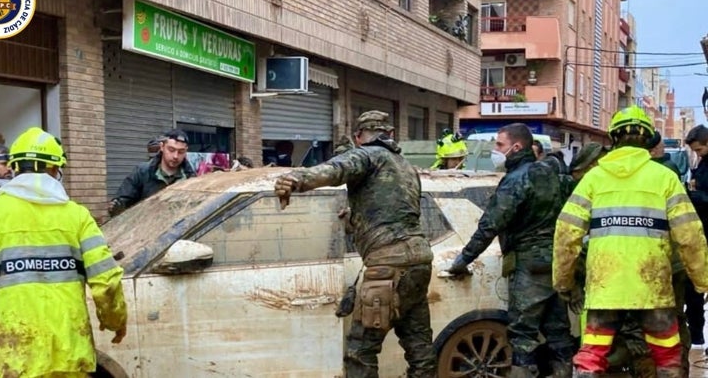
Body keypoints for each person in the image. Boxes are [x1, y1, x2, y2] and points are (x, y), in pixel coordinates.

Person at [0, 127, 127, 377]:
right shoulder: (77, 216)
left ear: (16, 167)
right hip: (70, 355)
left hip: (18, 355)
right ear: (55, 169)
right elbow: (106, 281)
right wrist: (114, 320)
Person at [274, 111, 437, 378]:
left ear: (359, 137)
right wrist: (354, 217)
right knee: (420, 349)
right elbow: (394, 209)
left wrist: (296, 179)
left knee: (360, 352)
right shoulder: (406, 166)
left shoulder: (368, 155)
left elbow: (337, 169)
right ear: (391, 135)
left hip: (388, 267)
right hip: (419, 260)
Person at [553, 106, 708, 378]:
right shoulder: (665, 179)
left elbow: (566, 234)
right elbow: (690, 236)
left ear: (613, 138)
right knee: (667, 355)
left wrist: (563, 281)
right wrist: (702, 280)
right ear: (648, 139)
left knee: (592, 354)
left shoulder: (593, 179)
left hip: (605, 286)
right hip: (653, 285)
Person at [448, 123, 575, 378]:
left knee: (522, 336)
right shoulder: (556, 176)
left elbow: (490, 225)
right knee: (558, 332)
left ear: (516, 147)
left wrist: (463, 260)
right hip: (559, 262)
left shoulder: (517, 179)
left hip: (529, 264)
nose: (495, 150)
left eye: (499, 145)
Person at [109, 129, 196, 216]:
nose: (175, 156)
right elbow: (124, 201)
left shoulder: (191, 179)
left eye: (181, 152)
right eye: (171, 150)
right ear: (162, 147)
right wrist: (118, 206)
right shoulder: (142, 172)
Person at [684, 124, 708, 346]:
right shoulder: (703, 162)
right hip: (700, 233)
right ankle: (697, 335)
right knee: (694, 288)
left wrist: (694, 195)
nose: (697, 154)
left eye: (699, 149)